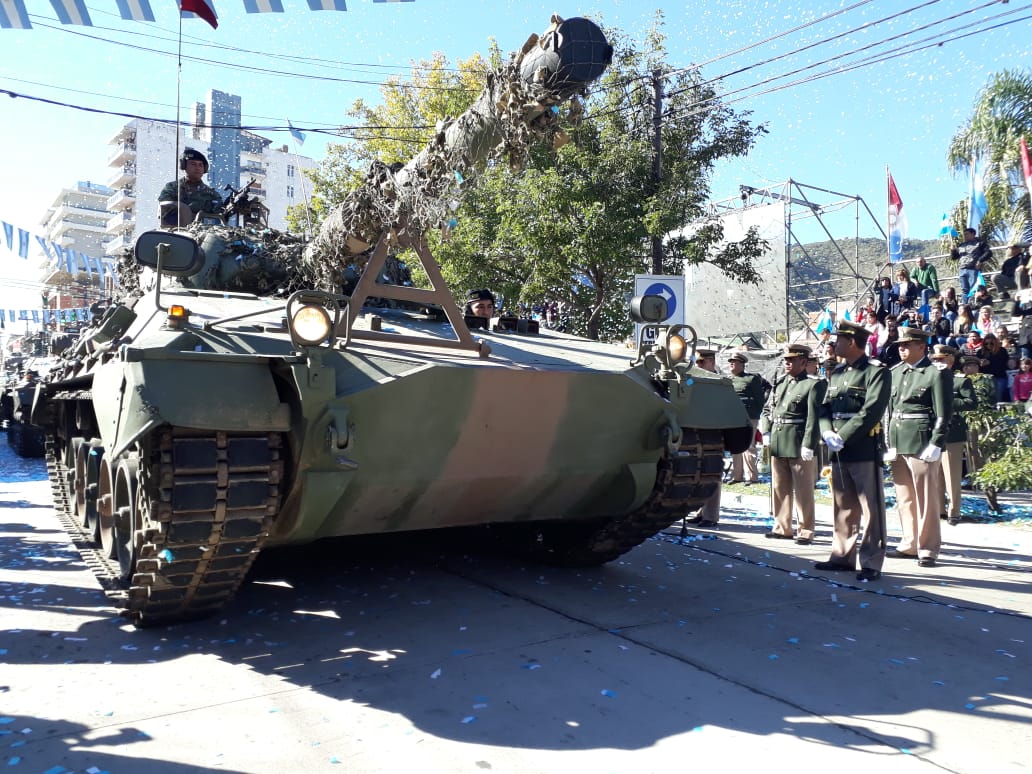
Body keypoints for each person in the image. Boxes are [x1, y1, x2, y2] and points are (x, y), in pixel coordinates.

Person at [815, 320, 891, 582]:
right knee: (842, 505)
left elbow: (871, 410)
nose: (833, 344)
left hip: (862, 446)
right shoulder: (837, 372)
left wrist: (843, 435)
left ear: (852, 342)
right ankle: (842, 556)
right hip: (837, 448)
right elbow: (825, 407)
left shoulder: (875, 371)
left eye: (839, 340)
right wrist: (826, 432)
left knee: (870, 508)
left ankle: (871, 561)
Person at [884, 326, 951, 569]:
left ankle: (928, 548)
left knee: (926, 498)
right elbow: (889, 411)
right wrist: (888, 442)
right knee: (904, 497)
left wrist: (936, 442)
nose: (901, 348)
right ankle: (909, 542)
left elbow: (944, 413)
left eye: (907, 345)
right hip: (898, 438)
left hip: (922, 441)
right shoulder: (895, 372)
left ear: (922, 346)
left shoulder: (936, 373)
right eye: (900, 345)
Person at [760, 344, 826, 544]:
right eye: (786, 360)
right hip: (779, 439)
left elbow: (814, 418)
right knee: (780, 487)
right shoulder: (780, 383)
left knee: (803, 490)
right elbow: (767, 409)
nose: (787, 363)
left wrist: (809, 444)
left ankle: (806, 530)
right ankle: (782, 526)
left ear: (804, 362)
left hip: (798, 441)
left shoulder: (813, 385)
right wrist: (766, 431)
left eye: (792, 360)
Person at [929, 345, 976, 526]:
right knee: (936, 474)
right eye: (935, 359)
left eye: (941, 359)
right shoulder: (930, 378)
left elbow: (971, 402)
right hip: (932, 431)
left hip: (952, 432)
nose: (937, 362)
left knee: (952, 475)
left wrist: (946, 401)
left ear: (951, 360)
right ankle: (939, 509)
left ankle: (954, 511)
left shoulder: (960, 381)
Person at [686, 348, 722, 527]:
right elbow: (685, 389)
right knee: (699, 474)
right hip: (696, 430)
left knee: (712, 473)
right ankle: (701, 511)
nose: (698, 365)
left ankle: (711, 516)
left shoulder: (720, 382)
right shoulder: (694, 379)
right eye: (697, 362)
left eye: (702, 362)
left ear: (712, 362)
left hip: (714, 432)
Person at [727, 352, 767, 485]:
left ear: (742, 364)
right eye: (730, 361)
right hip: (733, 416)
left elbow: (760, 399)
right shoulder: (728, 380)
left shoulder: (751, 379)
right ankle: (736, 475)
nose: (731, 363)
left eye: (735, 361)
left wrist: (755, 415)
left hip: (749, 416)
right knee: (735, 445)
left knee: (749, 445)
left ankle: (751, 477)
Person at [159, 148, 222, 228]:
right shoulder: (172, 188)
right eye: (193, 164)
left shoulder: (212, 195)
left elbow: (220, 219)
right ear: (184, 166)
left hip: (202, 236)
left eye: (200, 165)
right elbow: (166, 212)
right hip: (176, 234)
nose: (197, 168)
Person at [951, 227, 992, 299]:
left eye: (967, 234)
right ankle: (965, 306)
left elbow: (988, 253)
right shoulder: (961, 245)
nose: (965, 236)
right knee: (964, 290)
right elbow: (954, 257)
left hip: (973, 268)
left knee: (973, 288)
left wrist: (980, 260)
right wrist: (953, 251)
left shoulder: (979, 243)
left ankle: (973, 306)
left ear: (973, 234)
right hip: (962, 269)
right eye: (964, 234)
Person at [978, 333, 1011, 402]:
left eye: (991, 343)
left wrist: (990, 362)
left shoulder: (1002, 351)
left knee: (998, 395)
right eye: (986, 343)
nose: (988, 345)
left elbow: (1004, 365)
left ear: (995, 343)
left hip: (999, 377)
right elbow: (978, 366)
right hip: (985, 377)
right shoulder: (980, 352)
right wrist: (980, 364)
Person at [1013, 287, 1032, 360]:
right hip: (1026, 339)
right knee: (1026, 362)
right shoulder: (1026, 305)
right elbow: (1015, 313)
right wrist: (1017, 302)